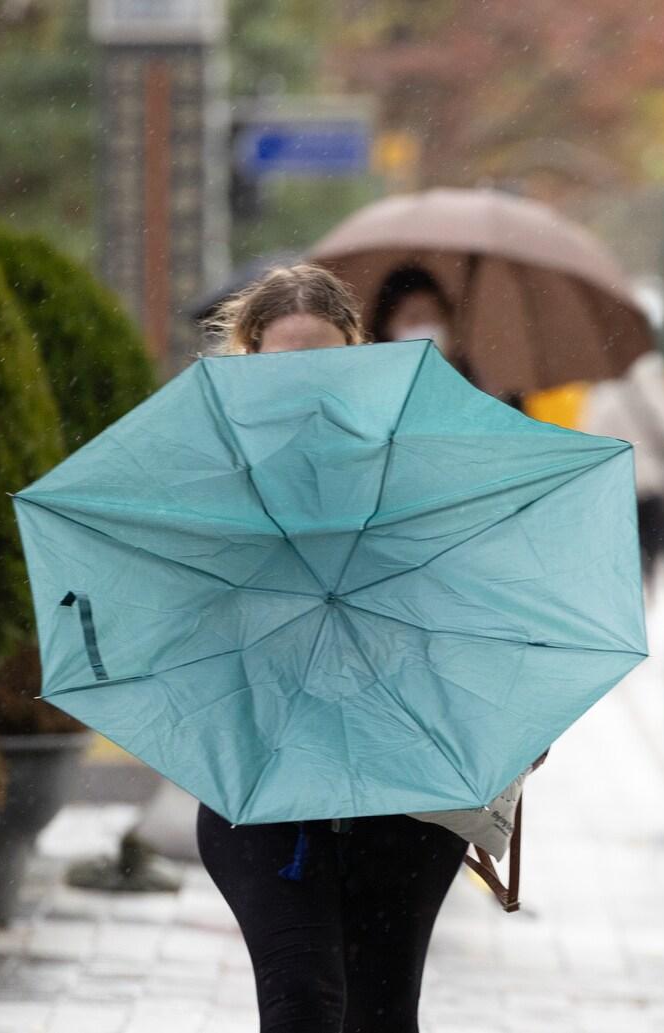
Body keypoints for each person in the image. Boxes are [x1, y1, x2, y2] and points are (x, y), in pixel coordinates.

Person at [200, 264, 468, 1033]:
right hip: (260, 789)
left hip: (405, 794)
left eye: (327, 360)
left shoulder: (415, 461)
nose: (308, 385)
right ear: (248, 364)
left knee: (383, 1014)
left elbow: (469, 607)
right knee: (303, 1003)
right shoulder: (213, 475)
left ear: (359, 351)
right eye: (286, 366)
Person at [582, 351, 664, 580]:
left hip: (616, 491)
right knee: (651, 557)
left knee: (622, 561)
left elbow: (588, 442)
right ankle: (650, 592)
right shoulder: (659, 391)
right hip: (654, 489)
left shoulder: (602, 395)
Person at [372, 266, 457, 354]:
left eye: (434, 316)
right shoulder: (371, 365)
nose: (425, 324)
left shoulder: (464, 366)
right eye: (414, 318)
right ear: (386, 327)